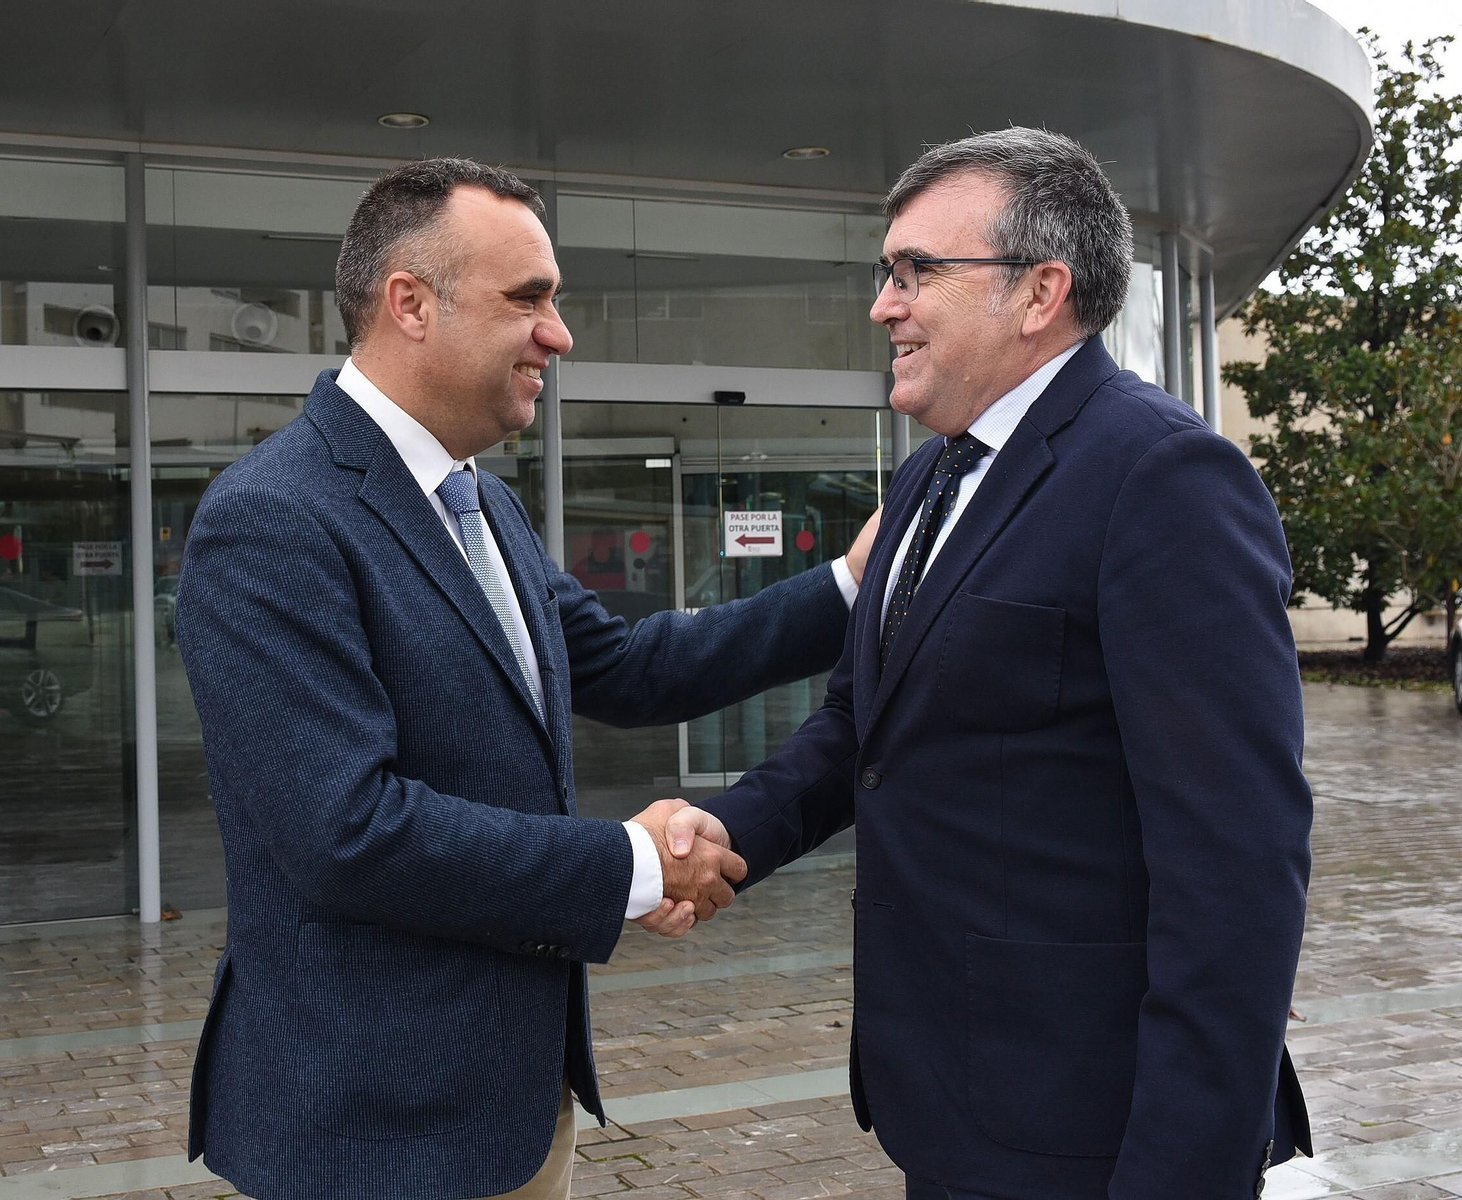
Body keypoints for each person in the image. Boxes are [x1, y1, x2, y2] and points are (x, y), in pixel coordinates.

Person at [174, 157, 876, 1200]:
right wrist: (632, 866)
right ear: (409, 304)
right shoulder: (272, 519)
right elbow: (346, 833)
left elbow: (630, 668)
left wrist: (850, 585)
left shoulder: (480, 502)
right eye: (529, 300)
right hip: (373, 1129)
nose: (560, 334)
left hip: (512, 1106)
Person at [669, 128, 1313, 1199]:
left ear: (1038, 291)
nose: (884, 304)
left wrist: (1181, 1172)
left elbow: (1235, 869)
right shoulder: (926, 480)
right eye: (887, 273)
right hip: (953, 1101)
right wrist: (731, 829)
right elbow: (858, 730)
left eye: (916, 271)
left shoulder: (1162, 476)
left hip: (1093, 1128)